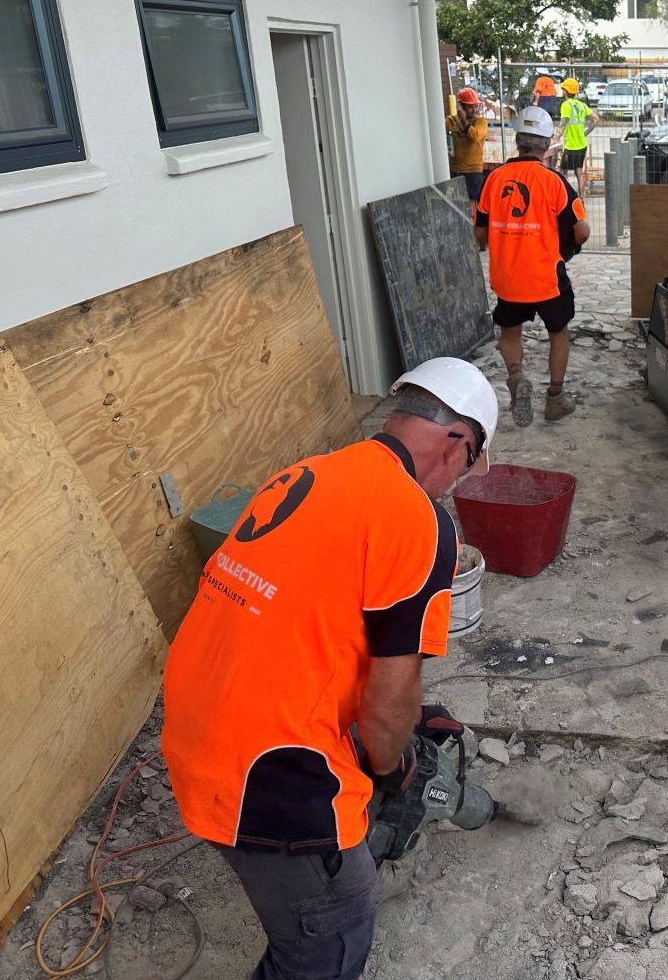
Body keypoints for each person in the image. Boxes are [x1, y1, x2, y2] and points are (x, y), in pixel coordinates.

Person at [161, 358, 499, 980]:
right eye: (471, 459)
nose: (457, 481)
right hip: (270, 775)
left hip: (195, 728)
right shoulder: (418, 518)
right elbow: (386, 702)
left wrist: (401, 727)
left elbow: (308, 622)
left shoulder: (307, 473)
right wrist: (395, 768)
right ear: (456, 443)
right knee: (329, 942)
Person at [476, 105, 591, 426]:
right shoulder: (554, 181)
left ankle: (516, 376)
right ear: (545, 143)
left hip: (508, 279)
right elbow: (581, 230)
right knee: (558, 333)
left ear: (518, 141)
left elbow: (479, 234)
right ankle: (554, 398)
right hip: (546, 278)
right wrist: (567, 243)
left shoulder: (493, 180)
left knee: (510, 333)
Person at [447, 87, 488, 217]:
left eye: (476, 106)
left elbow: (473, 137)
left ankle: (472, 229)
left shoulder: (481, 122)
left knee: (472, 208)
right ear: (461, 107)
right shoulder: (452, 121)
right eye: (470, 107)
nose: (474, 110)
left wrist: (464, 120)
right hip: (455, 169)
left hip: (473, 172)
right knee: (454, 205)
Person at [557, 77, 599, 196]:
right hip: (582, 145)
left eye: (563, 89)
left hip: (571, 146)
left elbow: (562, 124)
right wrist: (584, 133)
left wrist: (555, 138)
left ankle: (564, 198)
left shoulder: (566, 105)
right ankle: (581, 200)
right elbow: (596, 119)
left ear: (566, 91)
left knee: (562, 173)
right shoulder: (581, 105)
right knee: (579, 172)